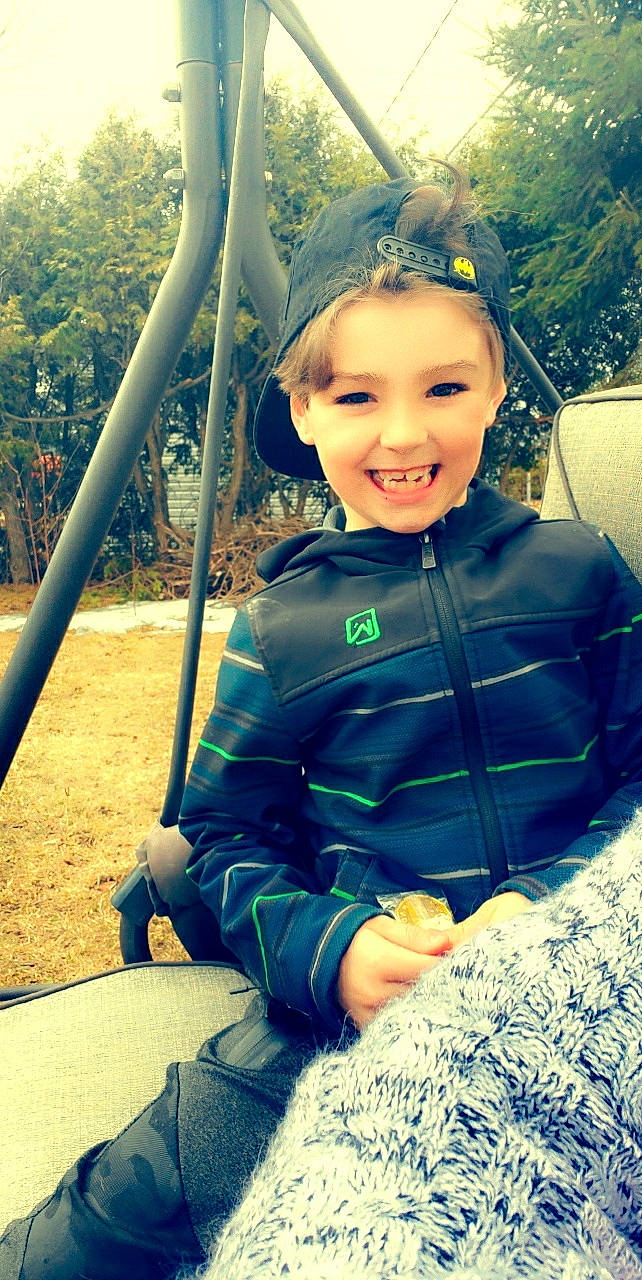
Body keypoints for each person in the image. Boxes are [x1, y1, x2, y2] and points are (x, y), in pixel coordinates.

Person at [2, 162, 641, 1278]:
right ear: (301, 410)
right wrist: (334, 949)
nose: (403, 432)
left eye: (446, 388)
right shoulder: (284, 629)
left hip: (577, 999)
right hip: (342, 1019)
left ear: (499, 388)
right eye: (356, 396)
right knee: (102, 1226)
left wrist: (542, 911)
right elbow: (225, 838)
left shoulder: (580, 571)